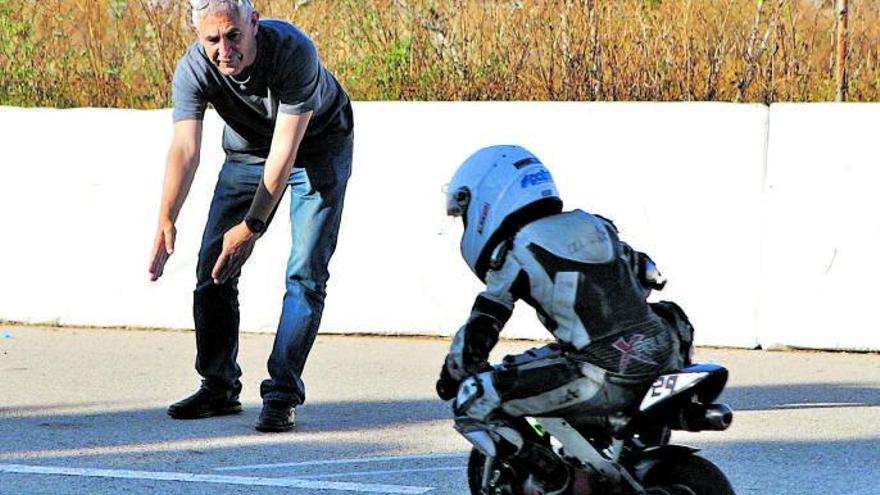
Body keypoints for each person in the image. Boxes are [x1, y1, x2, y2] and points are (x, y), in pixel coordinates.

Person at [436, 145, 694, 494]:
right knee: (664, 315)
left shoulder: (517, 250)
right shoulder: (597, 225)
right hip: (662, 354)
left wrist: (453, 374)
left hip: (602, 375)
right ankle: (639, 446)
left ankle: (560, 480)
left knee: (472, 399)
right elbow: (650, 275)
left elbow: (483, 325)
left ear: (488, 198)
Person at [147, 0, 353, 433]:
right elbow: (184, 148)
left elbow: (285, 152)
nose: (224, 49)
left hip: (318, 147)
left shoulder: (293, 51)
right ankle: (219, 386)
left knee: (304, 273)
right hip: (246, 155)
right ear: (198, 36)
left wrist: (252, 226)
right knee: (212, 268)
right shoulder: (193, 69)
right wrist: (167, 216)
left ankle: (281, 394)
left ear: (254, 24)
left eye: (234, 35)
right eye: (212, 40)